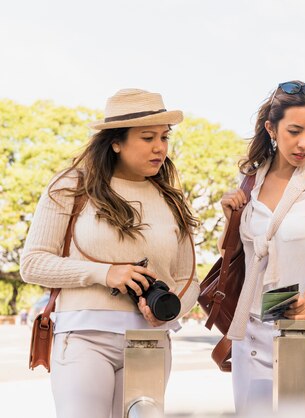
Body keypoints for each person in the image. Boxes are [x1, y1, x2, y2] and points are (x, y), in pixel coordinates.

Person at [20, 89, 199, 418]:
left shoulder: (173, 201)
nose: (159, 147)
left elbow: (188, 277)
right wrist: (104, 273)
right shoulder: (71, 186)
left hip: (150, 343)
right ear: (115, 141)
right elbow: (32, 264)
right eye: (147, 137)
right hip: (85, 338)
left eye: (164, 136)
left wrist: (169, 312)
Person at [220, 80, 305, 412]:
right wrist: (229, 216)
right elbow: (235, 255)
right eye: (294, 131)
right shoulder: (252, 180)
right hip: (253, 328)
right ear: (271, 129)